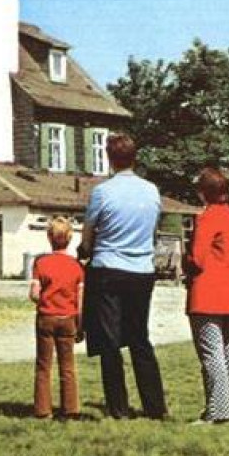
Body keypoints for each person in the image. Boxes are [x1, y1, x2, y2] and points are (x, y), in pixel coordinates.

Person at [80, 133, 167, 419]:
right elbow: (153, 232)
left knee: (109, 341)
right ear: (134, 158)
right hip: (141, 270)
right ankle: (155, 406)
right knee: (140, 338)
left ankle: (118, 407)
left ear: (109, 158)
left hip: (108, 268)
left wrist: (84, 251)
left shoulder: (102, 193)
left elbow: (89, 236)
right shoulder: (151, 191)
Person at [184, 166, 229, 425]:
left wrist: (184, 261)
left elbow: (198, 259)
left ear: (204, 192)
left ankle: (218, 411)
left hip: (209, 294)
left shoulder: (207, 217)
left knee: (211, 353)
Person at [29, 215, 84, 419]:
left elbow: (34, 293)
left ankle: (43, 410)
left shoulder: (41, 263)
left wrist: (43, 301)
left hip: (46, 317)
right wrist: (80, 325)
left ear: (49, 237)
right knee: (68, 365)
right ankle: (71, 409)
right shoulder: (76, 266)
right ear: (70, 238)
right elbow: (80, 300)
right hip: (68, 318)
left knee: (44, 365)